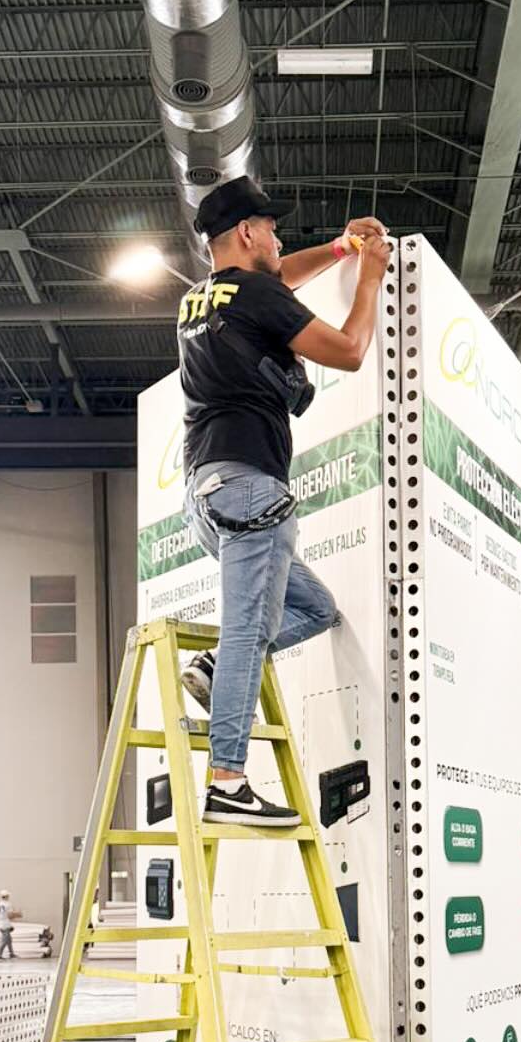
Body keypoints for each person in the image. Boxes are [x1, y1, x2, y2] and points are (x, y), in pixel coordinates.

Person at [176, 174, 393, 827]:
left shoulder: (200, 298)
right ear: (247, 232)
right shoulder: (256, 294)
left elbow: (277, 281)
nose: (277, 238)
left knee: (317, 609)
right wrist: (372, 274)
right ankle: (228, 780)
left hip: (205, 494)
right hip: (251, 488)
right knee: (249, 630)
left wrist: (336, 251)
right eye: (270, 228)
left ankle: (216, 669)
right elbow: (352, 351)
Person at [0, 890, 14, 960]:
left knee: (9, 939)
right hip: (6, 923)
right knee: (4, 940)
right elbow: (10, 915)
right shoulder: (8, 904)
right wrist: (18, 914)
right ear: (7, 896)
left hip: (1, 922)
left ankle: (12, 953)